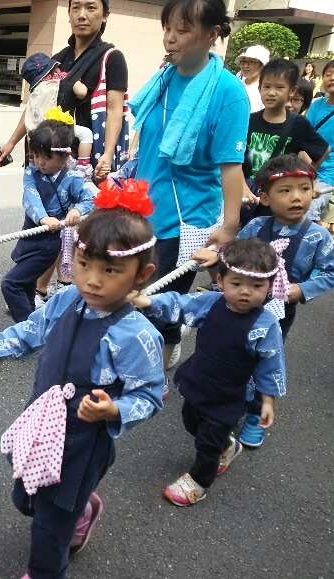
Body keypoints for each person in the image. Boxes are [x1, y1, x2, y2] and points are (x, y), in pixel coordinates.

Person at [0, 186, 165, 579]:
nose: (92, 280)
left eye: (110, 271)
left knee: (51, 523)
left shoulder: (136, 335)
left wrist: (115, 409)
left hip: (82, 443)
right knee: (26, 498)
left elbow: (150, 394)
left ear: (141, 275)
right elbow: (31, 329)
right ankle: (83, 508)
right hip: (42, 422)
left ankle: (47, 566)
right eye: (83, 263)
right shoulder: (65, 300)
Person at [128, 0, 250, 382]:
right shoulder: (163, 77)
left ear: (212, 34)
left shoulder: (228, 92)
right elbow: (146, 143)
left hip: (185, 220)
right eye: (167, 29)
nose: (170, 38)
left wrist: (229, 227)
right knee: (131, 297)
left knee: (159, 305)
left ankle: (155, 377)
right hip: (141, 211)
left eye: (181, 30)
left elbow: (231, 166)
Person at [133, 238, 286, 506]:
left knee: (207, 441)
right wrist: (147, 301)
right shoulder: (211, 302)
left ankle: (199, 481)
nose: (245, 292)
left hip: (229, 395)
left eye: (256, 286)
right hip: (199, 379)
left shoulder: (266, 324)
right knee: (191, 422)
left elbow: (271, 363)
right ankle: (227, 445)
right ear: (222, 281)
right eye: (236, 284)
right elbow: (179, 303)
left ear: (270, 286)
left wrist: (268, 401)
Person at [195, 154, 334, 448]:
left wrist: (302, 289)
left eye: (304, 189)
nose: (296, 197)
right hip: (240, 305)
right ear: (266, 197)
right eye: (285, 190)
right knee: (235, 353)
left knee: (266, 358)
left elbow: (330, 272)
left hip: (278, 311)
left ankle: (257, 412)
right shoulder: (256, 226)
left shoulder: (318, 236)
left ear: (313, 192)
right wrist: (215, 258)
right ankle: (230, 400)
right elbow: (233, 256)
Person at [0, 0, 130, 180]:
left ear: (105, 15)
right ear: (69, 13)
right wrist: (11, 142)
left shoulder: (112, 59)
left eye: (90, 7)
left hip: (87, 163)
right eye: (76, 8)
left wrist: (108, 153)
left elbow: (114, 111)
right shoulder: (57, 60)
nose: (82, 15)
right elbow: (37, 104)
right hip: (52, 159)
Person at [1, 112, 96, 323]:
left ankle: (28, 327)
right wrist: (43, 218)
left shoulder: (72, 177)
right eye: (36, 156)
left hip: (49, 243)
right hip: (31, 233)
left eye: (47, 157)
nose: (40, 163)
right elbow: (30, 196)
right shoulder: (31, 172)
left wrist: (76, 210)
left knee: (11, 283)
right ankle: (34, 323)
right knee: (26, 283)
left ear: (65, 156)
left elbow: (90, 198)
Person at [242, 57, 330, 223]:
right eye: (266, 86)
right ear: (259, 88)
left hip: (278, 200)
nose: (271, 92)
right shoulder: (248, 121)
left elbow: (323, 150)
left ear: (292, 91)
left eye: (279, 87)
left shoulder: (298, 123)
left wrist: (303, 179)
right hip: (249, 197)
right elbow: (235, 159)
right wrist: (242, 187)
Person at [20, 54, 94, 178]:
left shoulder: (36, 89)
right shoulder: (61, 77)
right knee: (86, 134)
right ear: (54, 68)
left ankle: (33, 163)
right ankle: (83, 167)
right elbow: (82, 92)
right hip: (55, 129)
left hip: (38, 131)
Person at [307, 61, 334, 227]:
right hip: (308, 167)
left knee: (308, 209)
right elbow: (304, 137)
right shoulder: (317, 104)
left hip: (329, 174)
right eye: (328, 74)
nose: (332, 78)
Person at [236, 45, 269, 113]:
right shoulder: (236, 84)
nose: (245, 66)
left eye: (251, 62)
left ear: (262, 66)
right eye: (243, 61)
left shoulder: (265, 90)